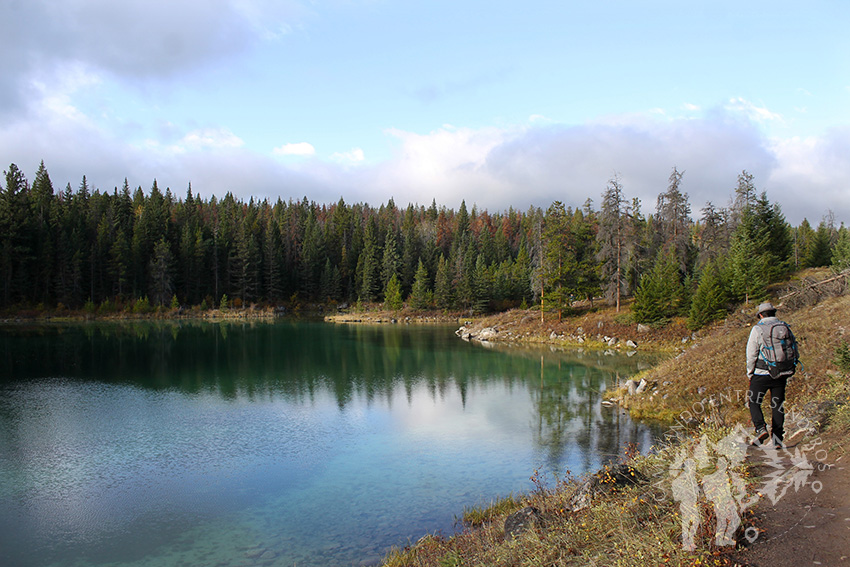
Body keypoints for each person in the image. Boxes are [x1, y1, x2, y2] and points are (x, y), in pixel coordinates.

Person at [746, 302, 788, 448]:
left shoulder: (758, 329)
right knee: (777, 405)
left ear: (761, 315)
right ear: (773, 313)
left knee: (754, 402)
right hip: (781, 373)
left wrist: (750, 372)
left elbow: (751, 353)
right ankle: (777, 439)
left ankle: (760, 428)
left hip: (761, 373)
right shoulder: (784, 327)